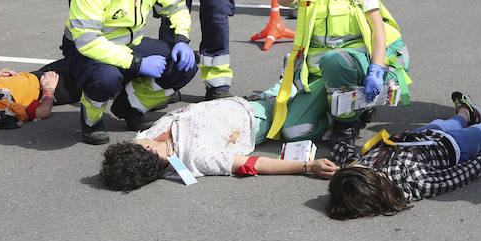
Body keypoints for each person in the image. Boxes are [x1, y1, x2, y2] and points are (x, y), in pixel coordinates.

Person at [264, 0, 411, 146]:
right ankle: (344, 111)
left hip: (358, 65)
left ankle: (347, 123)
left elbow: (377, 28)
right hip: (323, 76)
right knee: (294, 132)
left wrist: (376, 68)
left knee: (335, 60)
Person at [62, 0, 197, 145]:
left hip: (131, 45)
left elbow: (176, 8)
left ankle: (131, 108)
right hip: (90, 52)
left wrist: (181, 40)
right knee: (105, 78)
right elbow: (87, 41)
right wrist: (138, 63)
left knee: (187, 65)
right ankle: (91, 120)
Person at [325, 91, 481, 219]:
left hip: (419, 136)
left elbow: (342, 151)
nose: (360, 165)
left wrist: (334, 159)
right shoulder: (418, 183)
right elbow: (462, 174)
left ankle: (467, 113)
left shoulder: (355, 175)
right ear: (374, 183)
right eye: (361, 169)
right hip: (454, 147)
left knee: (447, 123)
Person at [99, 95, 339, 191]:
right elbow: (253, 164)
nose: (136, 139)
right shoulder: (197, 157)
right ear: (148, 150)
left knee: (300, 77)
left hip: (247, 100)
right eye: (135, 145)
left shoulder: (146, 142)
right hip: (262, 118)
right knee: (323, 90)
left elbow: (133, 156)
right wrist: (309, 166)